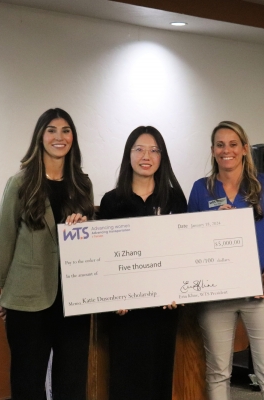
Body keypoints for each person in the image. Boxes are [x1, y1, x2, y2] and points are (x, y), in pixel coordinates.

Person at [0, 108, 94, 400]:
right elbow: (4, 238)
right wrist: (5, 291)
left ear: (72, 138)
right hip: (28, 301)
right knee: (28, 384)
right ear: (40, 137)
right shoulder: (20, 183)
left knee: (72, 384)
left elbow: (91, 240)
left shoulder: (82, 184)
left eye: (65, 130)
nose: (58, 137)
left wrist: (87, 225)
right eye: (51, 130)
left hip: (74, 300)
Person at [188, 121, 264, 400]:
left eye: (233, 144)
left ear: (244, 149)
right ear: (212, 150)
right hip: (216, 295)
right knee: (218, 373)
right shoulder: (200, 190)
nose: (226, 150)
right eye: (220, 145)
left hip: (260, 291)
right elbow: (190, 244)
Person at [98, 126, 187, 400]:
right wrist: (113, 297)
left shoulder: (174, 199)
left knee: (159, 378)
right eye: (139, 149)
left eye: (153, 150)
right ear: (128, 155)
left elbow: (182, 251)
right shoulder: (111, 201)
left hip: (163, 309)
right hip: (125, 311)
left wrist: (177, 289)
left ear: (162, 157)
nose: (146, 155)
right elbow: (104, 257)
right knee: (126, 381)